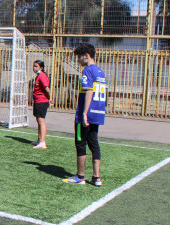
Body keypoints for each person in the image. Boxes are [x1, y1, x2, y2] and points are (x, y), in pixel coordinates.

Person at [63, 43, 106, 186]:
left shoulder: (87, 70)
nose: (78, 61)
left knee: (80, 143)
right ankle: (96, 178)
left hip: (86, 113)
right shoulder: (100, 71)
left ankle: (80, 176)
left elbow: (89, 91)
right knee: (94, 143)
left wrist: (84, 113)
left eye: (79, 58)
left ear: (86, 56)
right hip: (97, 113)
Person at [31, 60, 51, 149]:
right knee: (38, 121)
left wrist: (50, 99)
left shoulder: (42, 76)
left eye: (36, 66)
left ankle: (42, 142)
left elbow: (46, 88)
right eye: (34, 66)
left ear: (41, 68)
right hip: (37, 101)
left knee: (41, 121)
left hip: (41, 102)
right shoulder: (38, 76)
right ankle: (39, 140)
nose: (34, 68)